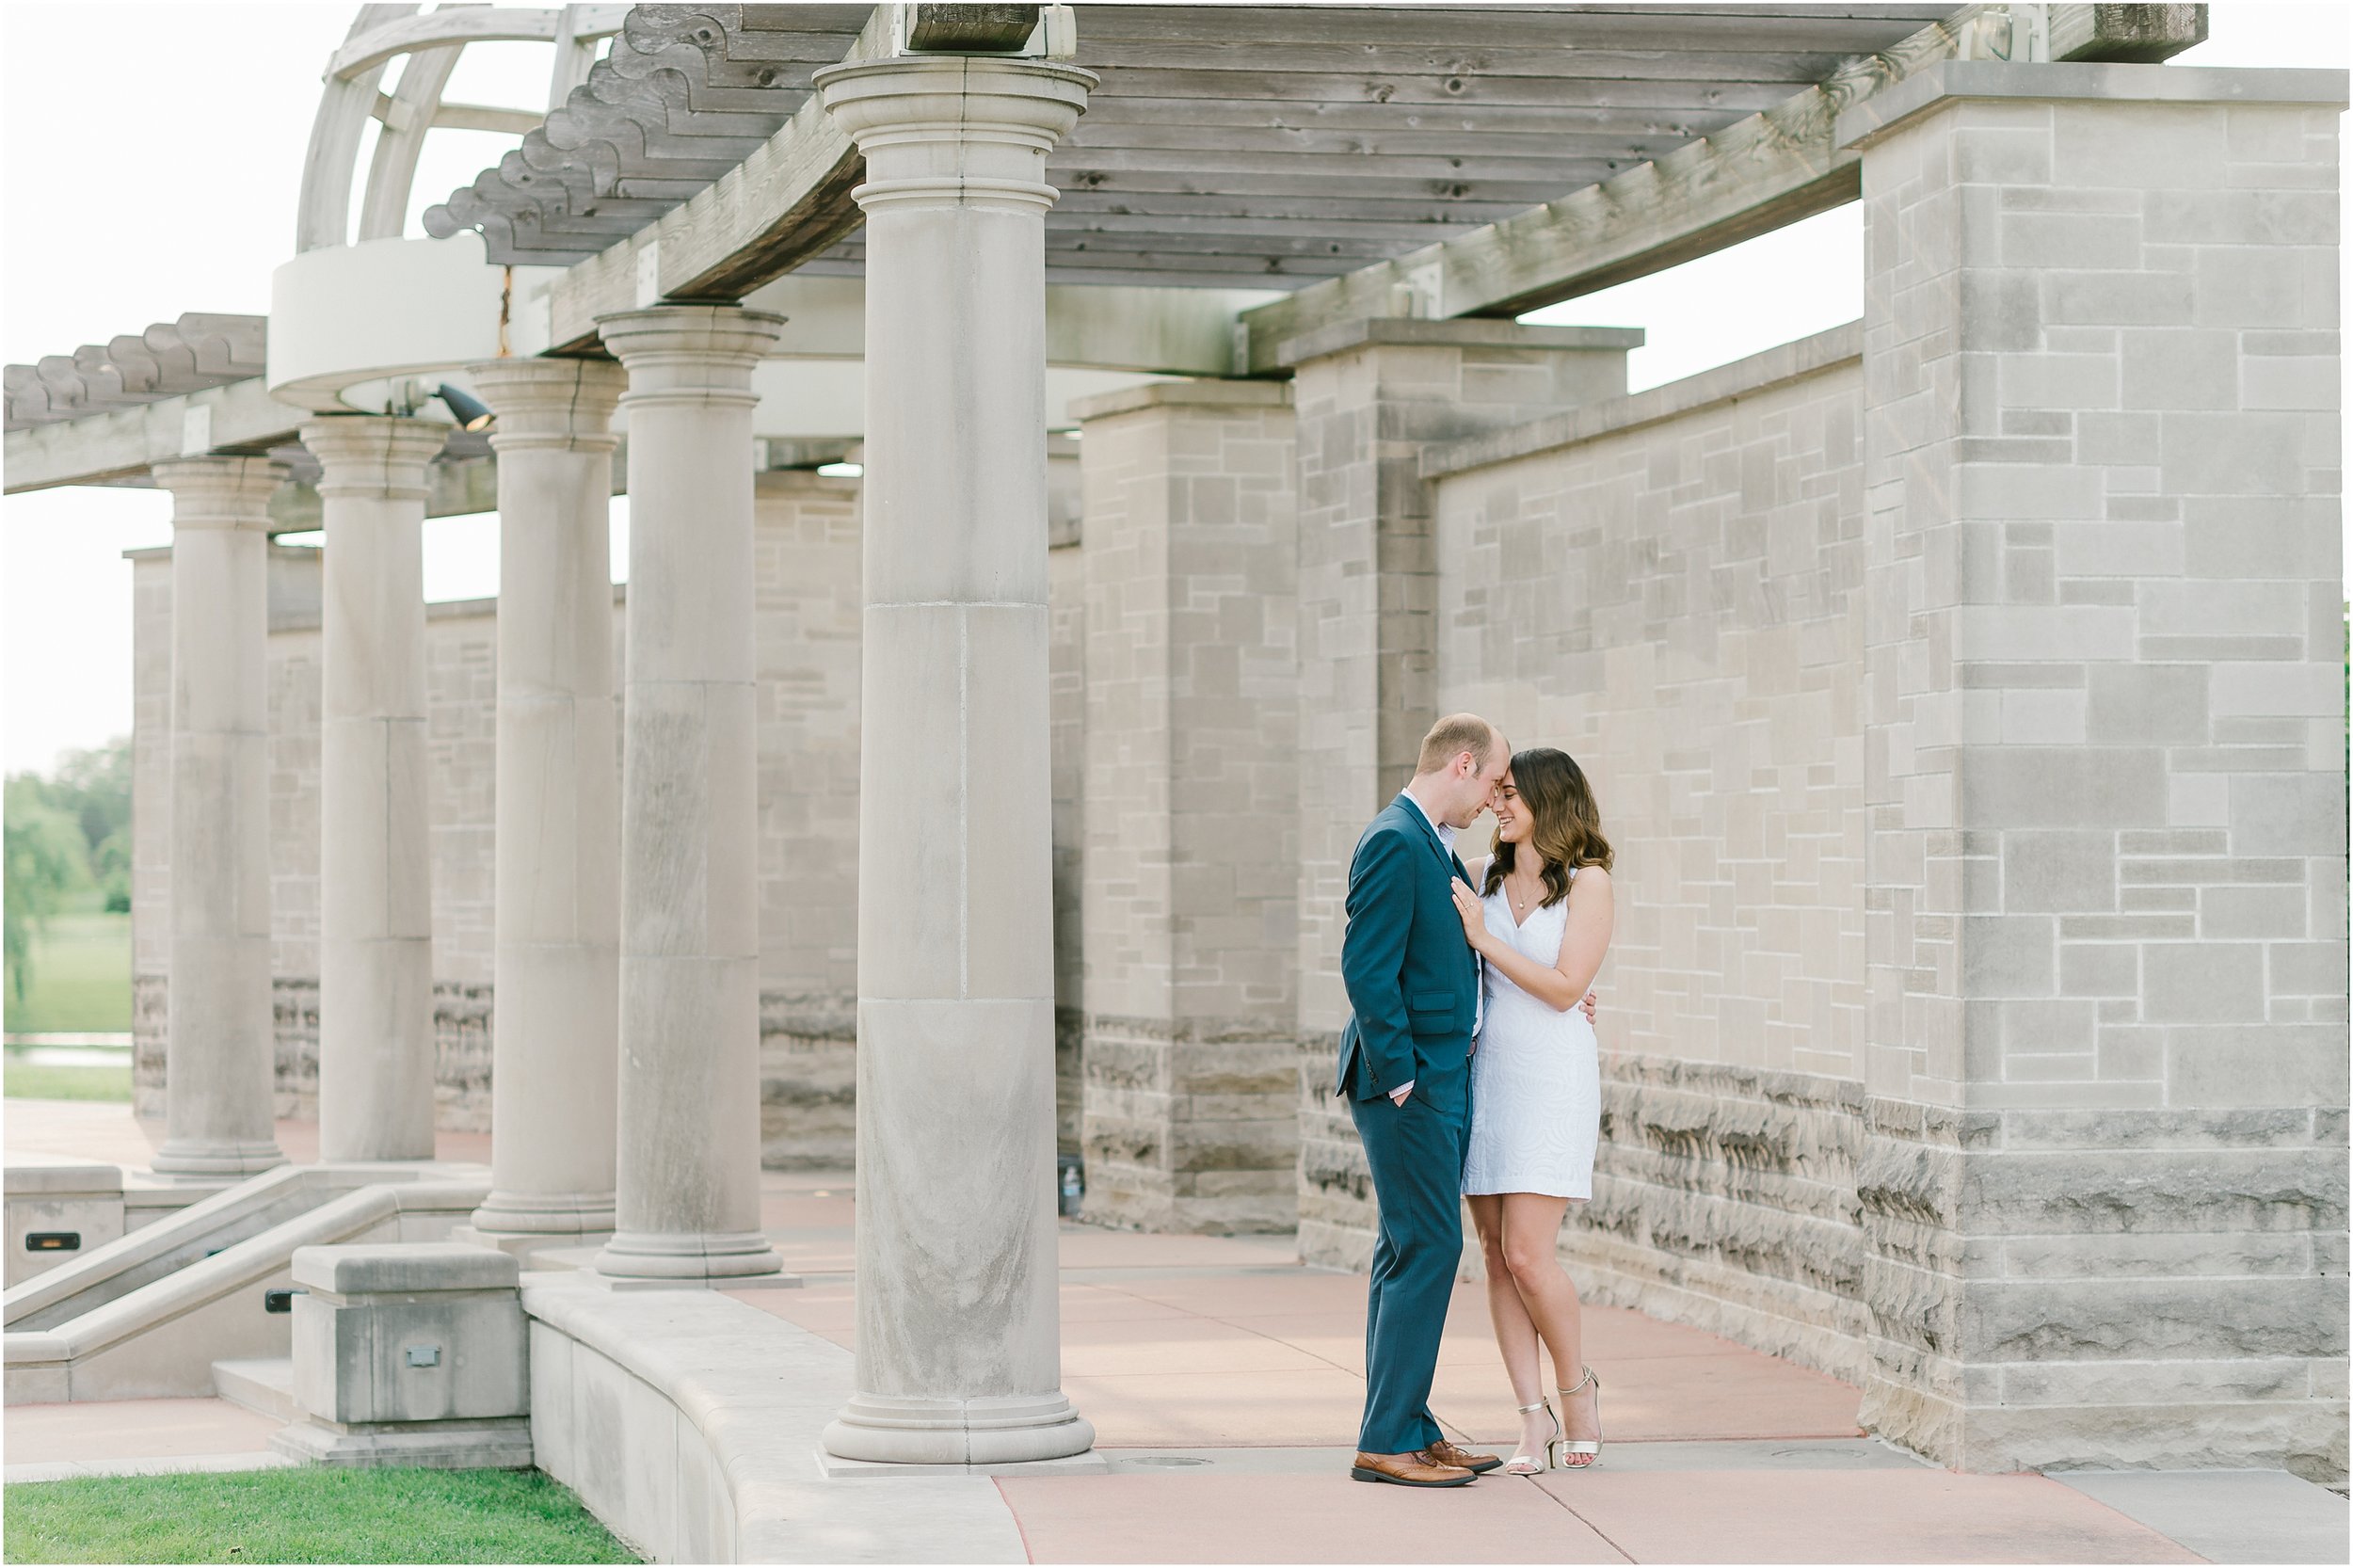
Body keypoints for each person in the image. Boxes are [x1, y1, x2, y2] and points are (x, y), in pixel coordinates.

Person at [1336, 712, 1509, 1487]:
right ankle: (1388, 1440)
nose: (1494, 800)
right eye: (1494, 782)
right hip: (1407, 1085)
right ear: (1462, 764)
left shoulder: (1434, 843)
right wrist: (1404, 1076)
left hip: (1439, 1075)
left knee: (1406, 1247)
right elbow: (1367, 969)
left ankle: (1407, 1422)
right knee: (1431, 1246)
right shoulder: (1393, 839)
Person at [1450, 746, 1616, 1474]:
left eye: (1513, 794)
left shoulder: (1589, 884)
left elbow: (1562, 987)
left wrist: (1486, 941)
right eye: (1498, 792)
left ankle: (1577, 1390)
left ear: (1553, 800)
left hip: (1552, 1078)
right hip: (1488, 1077)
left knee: (1528, 1253)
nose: (1499, 804)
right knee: (1493, 1255)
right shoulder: (1481, 878)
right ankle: (1530, 1421)